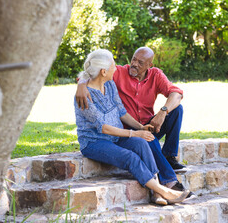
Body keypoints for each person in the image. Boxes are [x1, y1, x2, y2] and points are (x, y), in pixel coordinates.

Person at [74, 49, 189, 205]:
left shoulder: (110, 85)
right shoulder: (86, 95)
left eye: (140, 62)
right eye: (133, 59)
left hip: (122, 133)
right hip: (96, 140)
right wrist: (81, 84)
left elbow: (121, 111)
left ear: (149, 65)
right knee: (134, 153)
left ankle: (157, 189)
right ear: (104, 71)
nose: (132, 64)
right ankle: (164, 189)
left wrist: (142, 127)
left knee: (145, 140)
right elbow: (103, 127)